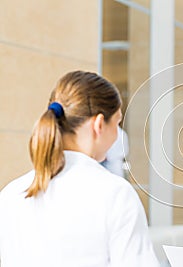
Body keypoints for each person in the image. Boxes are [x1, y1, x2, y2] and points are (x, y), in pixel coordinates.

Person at [0, 71, 159, 267]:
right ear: (99, 124)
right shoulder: (116, 194)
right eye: (117, 123)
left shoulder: (11, 194)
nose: (118, 135)